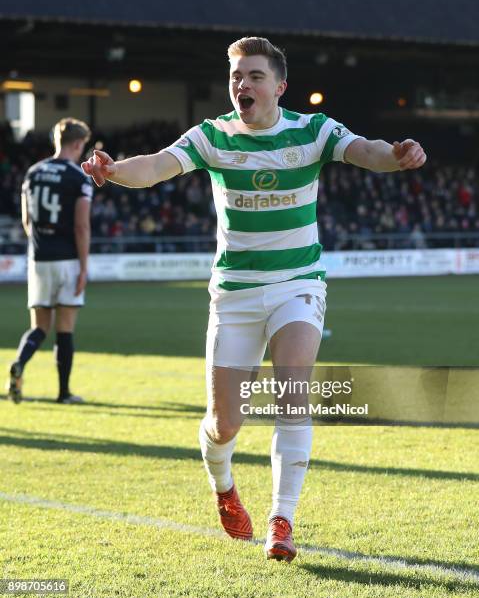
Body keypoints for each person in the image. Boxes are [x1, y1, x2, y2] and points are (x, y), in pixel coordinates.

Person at [82, 37, 426, 561]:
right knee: (226, 423)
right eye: (236, 76)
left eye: (254, 76)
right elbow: (154, 166)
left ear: (280, 86)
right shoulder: (214, 135)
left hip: (298, 283)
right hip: (235, 294)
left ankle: (281, 520)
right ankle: (224, 487)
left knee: (292, 389)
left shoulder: (313, 130)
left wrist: (397, 156)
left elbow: (366, 151)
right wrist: (112, 170)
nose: (242, 84)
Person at [7, 118, 93, 405]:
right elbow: (81, 227)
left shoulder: (33, 173)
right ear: (79, 143)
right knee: (64, 327)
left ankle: (19, 362)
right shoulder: (79, 178)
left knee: (39, 327)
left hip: (38, 258)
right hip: (67, 258)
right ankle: (64, 393)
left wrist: (40, 245)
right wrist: (83, 267)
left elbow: (26, 220)